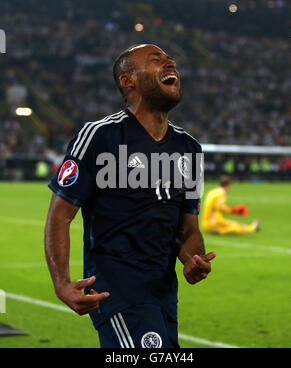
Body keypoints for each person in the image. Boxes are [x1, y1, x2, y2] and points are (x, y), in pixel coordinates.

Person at [44, 44, 216, 348]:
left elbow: (188, 229)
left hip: (163, 293)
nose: (171, 62)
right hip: (116, 290)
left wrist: (193, 258)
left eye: (169, 59)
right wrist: (62, 283)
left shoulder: (189, 148)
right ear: (128, 80)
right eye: (156, 60)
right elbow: (60, 214)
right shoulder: (99, 136)